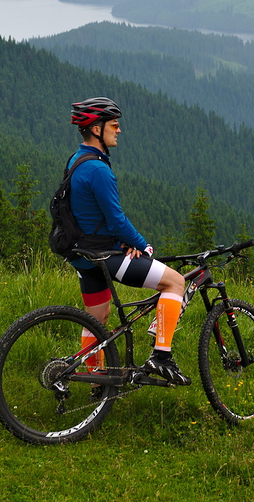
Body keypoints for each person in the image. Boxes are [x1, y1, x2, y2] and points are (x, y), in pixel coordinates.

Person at [66, 96, 191, 386]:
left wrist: (121, 242)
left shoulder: (77, 159)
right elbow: (116, 220)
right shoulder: (98, 169)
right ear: (97, 129)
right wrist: (142, 244)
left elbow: (91, 217)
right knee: (174, 282)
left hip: (84, 255)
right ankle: (161, 356)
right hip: (104, 256)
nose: (118, 130)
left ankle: (96, 381)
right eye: (114, 125)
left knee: (98, 318)